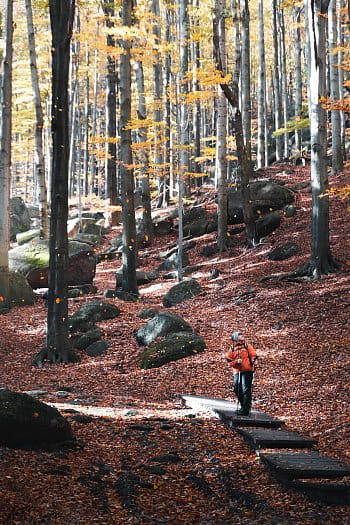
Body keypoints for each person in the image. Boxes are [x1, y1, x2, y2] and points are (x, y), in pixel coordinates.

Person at [224, 331, 257, 416]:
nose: (242, 336)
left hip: (247, 370)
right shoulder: (232, 348)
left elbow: (253, 354)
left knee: (246, 389)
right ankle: (243, 407)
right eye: (239, 335)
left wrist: (253, 360)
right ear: (235, 338)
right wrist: (236, 362)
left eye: (242, 335)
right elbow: (229, 362)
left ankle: (245, 410)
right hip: (237, 371)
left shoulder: (247, 346)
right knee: (237, 389)